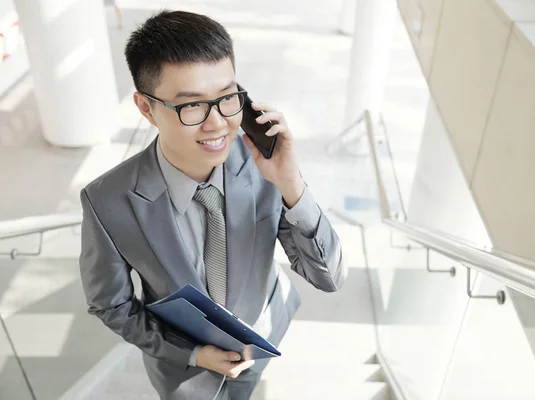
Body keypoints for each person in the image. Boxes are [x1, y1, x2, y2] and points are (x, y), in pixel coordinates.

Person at [78, 10, 346, 400]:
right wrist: (195, 354)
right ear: (145, 107)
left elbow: (330, 277)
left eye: (227, 97)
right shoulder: (107, 201)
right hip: (183, 369)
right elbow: (111, 306)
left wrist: (290, 183)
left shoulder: (265, 166)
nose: (218, 123)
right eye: (192, 106)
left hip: (263, 335)